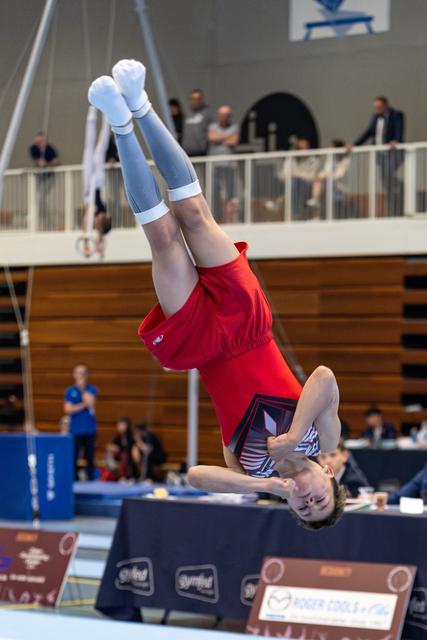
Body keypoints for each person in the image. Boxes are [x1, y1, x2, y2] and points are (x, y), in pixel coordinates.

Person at [88, 59, 346, 530]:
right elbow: (325, 378)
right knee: (192, 213)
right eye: (320, 499)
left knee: (163, 238)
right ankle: (142, 105)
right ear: (329, 477)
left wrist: (266, 485)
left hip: (203, 346)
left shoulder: (250, 471)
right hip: (247, 323)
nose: (307, 499)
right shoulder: (323, 439)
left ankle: (120, 123)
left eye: (304, 509)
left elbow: (194, 475)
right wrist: (291, 436)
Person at [350, 96, 405, 216]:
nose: (378, 109)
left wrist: (397, 140)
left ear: (386, 105)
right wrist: (354, 144)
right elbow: (368, 133)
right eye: (376, 107)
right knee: (386, 182)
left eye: (379, 107)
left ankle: (401, 186)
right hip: (380, 154)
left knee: (388, 175)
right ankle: (392, 210)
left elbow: (399, 129)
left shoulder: (396, 115)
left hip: (392, 152)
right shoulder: (375, 118)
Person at [81, 106, 112, 257]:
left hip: (88, 181)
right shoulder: (103, 210)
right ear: (104, 218)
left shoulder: (92, 214)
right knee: (100, 147)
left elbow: (88, 222)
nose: (97, 220)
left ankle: (91, 112)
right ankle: (106, 115)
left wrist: (87, 243)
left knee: (88, 147)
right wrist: (100, 247)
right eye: (99, 221)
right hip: (97, 180)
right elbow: (101, 233)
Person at [64, 364, 98, 480]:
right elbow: (68, 409)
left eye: (83, 373)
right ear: (74, 375)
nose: (80, 376)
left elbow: (90, 403)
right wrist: (83, 405)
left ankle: (90, 478)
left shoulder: (91, 389)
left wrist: (82, 389)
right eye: (78, 373)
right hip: (76, 429)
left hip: (89, 429)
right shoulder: (70, 391)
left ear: (87, 375)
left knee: (89, 456)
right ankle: (73, 478)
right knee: (74, 455)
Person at [208, 105, 240, 222]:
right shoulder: (212, 126)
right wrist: (227, 137)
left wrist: (219, 138)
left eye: (226, 116)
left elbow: (234, 141)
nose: (223, 118)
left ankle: (231, 217)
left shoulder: (235, 127)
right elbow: (211, 137)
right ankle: (217, 217)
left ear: (229, 117)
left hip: (229, 165)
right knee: (215, 192)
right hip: (215, 165)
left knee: (230, 192)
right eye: (221, 115)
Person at [306, 140, 350, 213]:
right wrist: (319, 177)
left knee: (323, 182)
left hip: (339, 186)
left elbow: (340, 175)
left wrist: (326, 176)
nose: (330, 150)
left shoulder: (345, 160)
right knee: (318, 181)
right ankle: (315, 200)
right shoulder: (330, 158)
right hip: (327, 184)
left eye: (332, 148)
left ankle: (316, 199)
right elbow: (326, 170)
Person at [29, 132, 59, 229]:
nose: (39, 143)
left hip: (49, 177)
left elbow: (55, 161)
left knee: (40, 197)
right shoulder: (33, 148)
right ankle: (44, 220)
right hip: (39, 177)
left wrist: (46, 163)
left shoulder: (49, 149)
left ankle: (47, 222)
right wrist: (40, 162)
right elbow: (36, 160)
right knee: (39, 198)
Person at [101, 416, 138, 481]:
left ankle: (129, 476)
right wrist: (111, 447)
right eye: (118, 425)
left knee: (124, 456)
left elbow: (129, 448)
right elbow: (113, 446)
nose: (119, 427)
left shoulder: (130, 435)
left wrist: (118, 448)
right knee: (109, 455)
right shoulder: (118, 436)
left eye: (121, 425)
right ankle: (116, 473)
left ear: (126, 425)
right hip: (120, 455)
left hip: (129, 456)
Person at [181, 89, 212, 156]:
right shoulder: (186, 113)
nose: (195, 101)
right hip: (186, 151)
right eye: (193, 99)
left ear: (201, 99)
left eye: (198, 99)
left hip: (201, 152)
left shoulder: (207, 113)